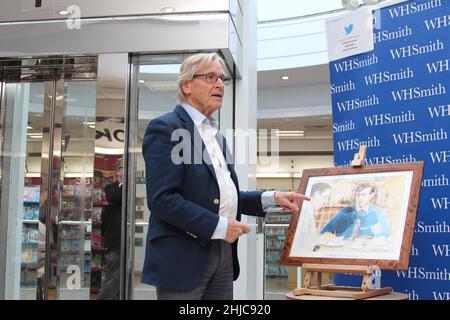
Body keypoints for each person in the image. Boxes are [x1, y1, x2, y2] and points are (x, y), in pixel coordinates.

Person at [141, 52, 309, 300]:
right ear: (186, 85)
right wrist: (220, 226)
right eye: (210, 77)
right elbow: (162, 199)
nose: (219, 84)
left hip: (223, 251)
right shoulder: (165, 128)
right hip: (183, 256)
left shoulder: (217, 136)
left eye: (222, 78)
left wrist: (271, 198)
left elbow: (223, 196)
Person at [320, 182, 391, 240]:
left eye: (363, 195)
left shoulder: (378, 212)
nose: (360, 198)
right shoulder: (345, 211)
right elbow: (324, 233)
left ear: (371, 196)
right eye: (358, 195)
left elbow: (386, 233)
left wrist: (376, 239)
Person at [98, 158, 123, 300]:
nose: (124, 172)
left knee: (122, 273)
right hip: (115, 237)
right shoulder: (110, 188)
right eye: (122, 169)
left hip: (127, 236)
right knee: (113, 271)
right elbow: (114, 198)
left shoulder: (132, 187)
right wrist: (123, 185)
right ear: (118, 172)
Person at [292, 182, 331, 253]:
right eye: (325, 197)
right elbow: (301, 243)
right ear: (317, 194)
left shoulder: (309, 211)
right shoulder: (305, 214)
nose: (326, 202)